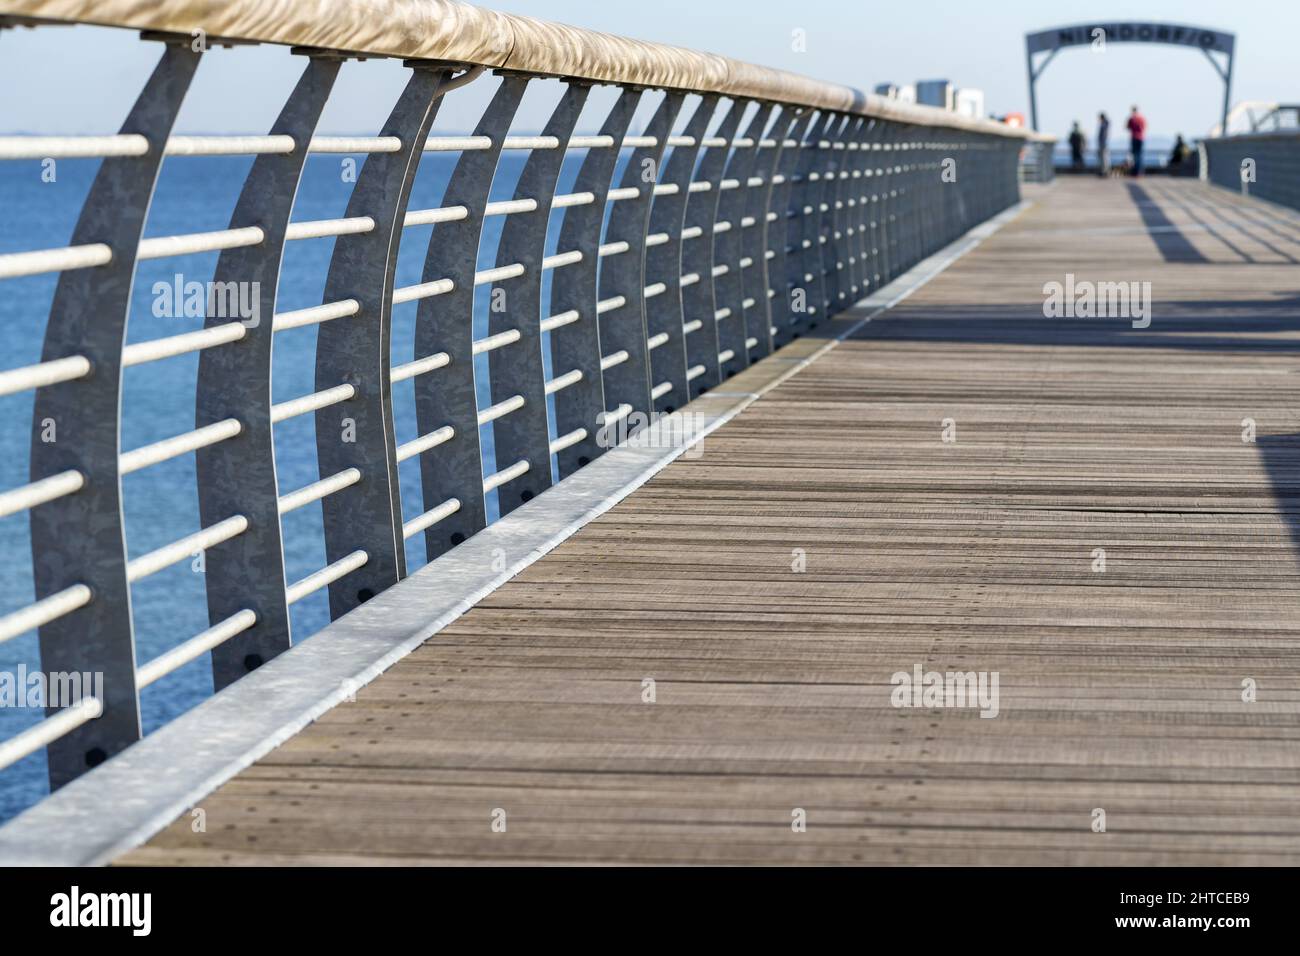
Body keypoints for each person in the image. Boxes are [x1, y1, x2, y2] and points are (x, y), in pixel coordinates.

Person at [1126, 105, 1147, 177]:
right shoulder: (1142, 118)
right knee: (1140, 155)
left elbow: (1127, 127)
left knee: (1135, 155)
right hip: (1141, 138)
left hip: (1134, 138)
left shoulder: (1132, 119)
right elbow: (1145, 127)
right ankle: (1139, 171)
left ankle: (1136, 171)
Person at [1096, 112, 1110, 176]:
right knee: (1104, 158)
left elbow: (1103, 135)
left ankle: (1104, 171)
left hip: (1103, 144)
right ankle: (1104, 171)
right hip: (1103, 143)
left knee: (1104, 158)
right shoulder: (1105, 124)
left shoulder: (1104, 124)